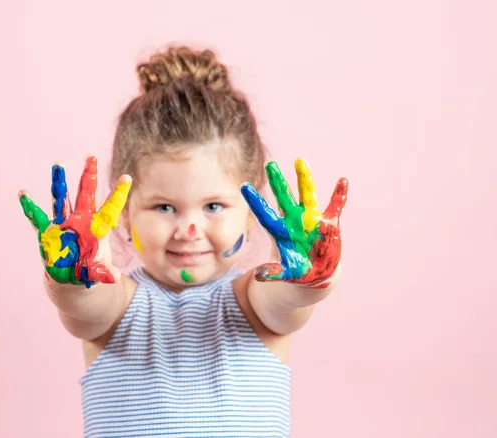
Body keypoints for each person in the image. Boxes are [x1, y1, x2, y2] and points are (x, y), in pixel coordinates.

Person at [19, 45, 348, 437]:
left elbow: (292, 300)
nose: (189, 228)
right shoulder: (116, 306)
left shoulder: (255, 301)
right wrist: (71, 272)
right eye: (163, 207)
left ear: (251, 208)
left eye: (213, 205)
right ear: (124, 212)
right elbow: (81, 301)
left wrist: (315, 271)